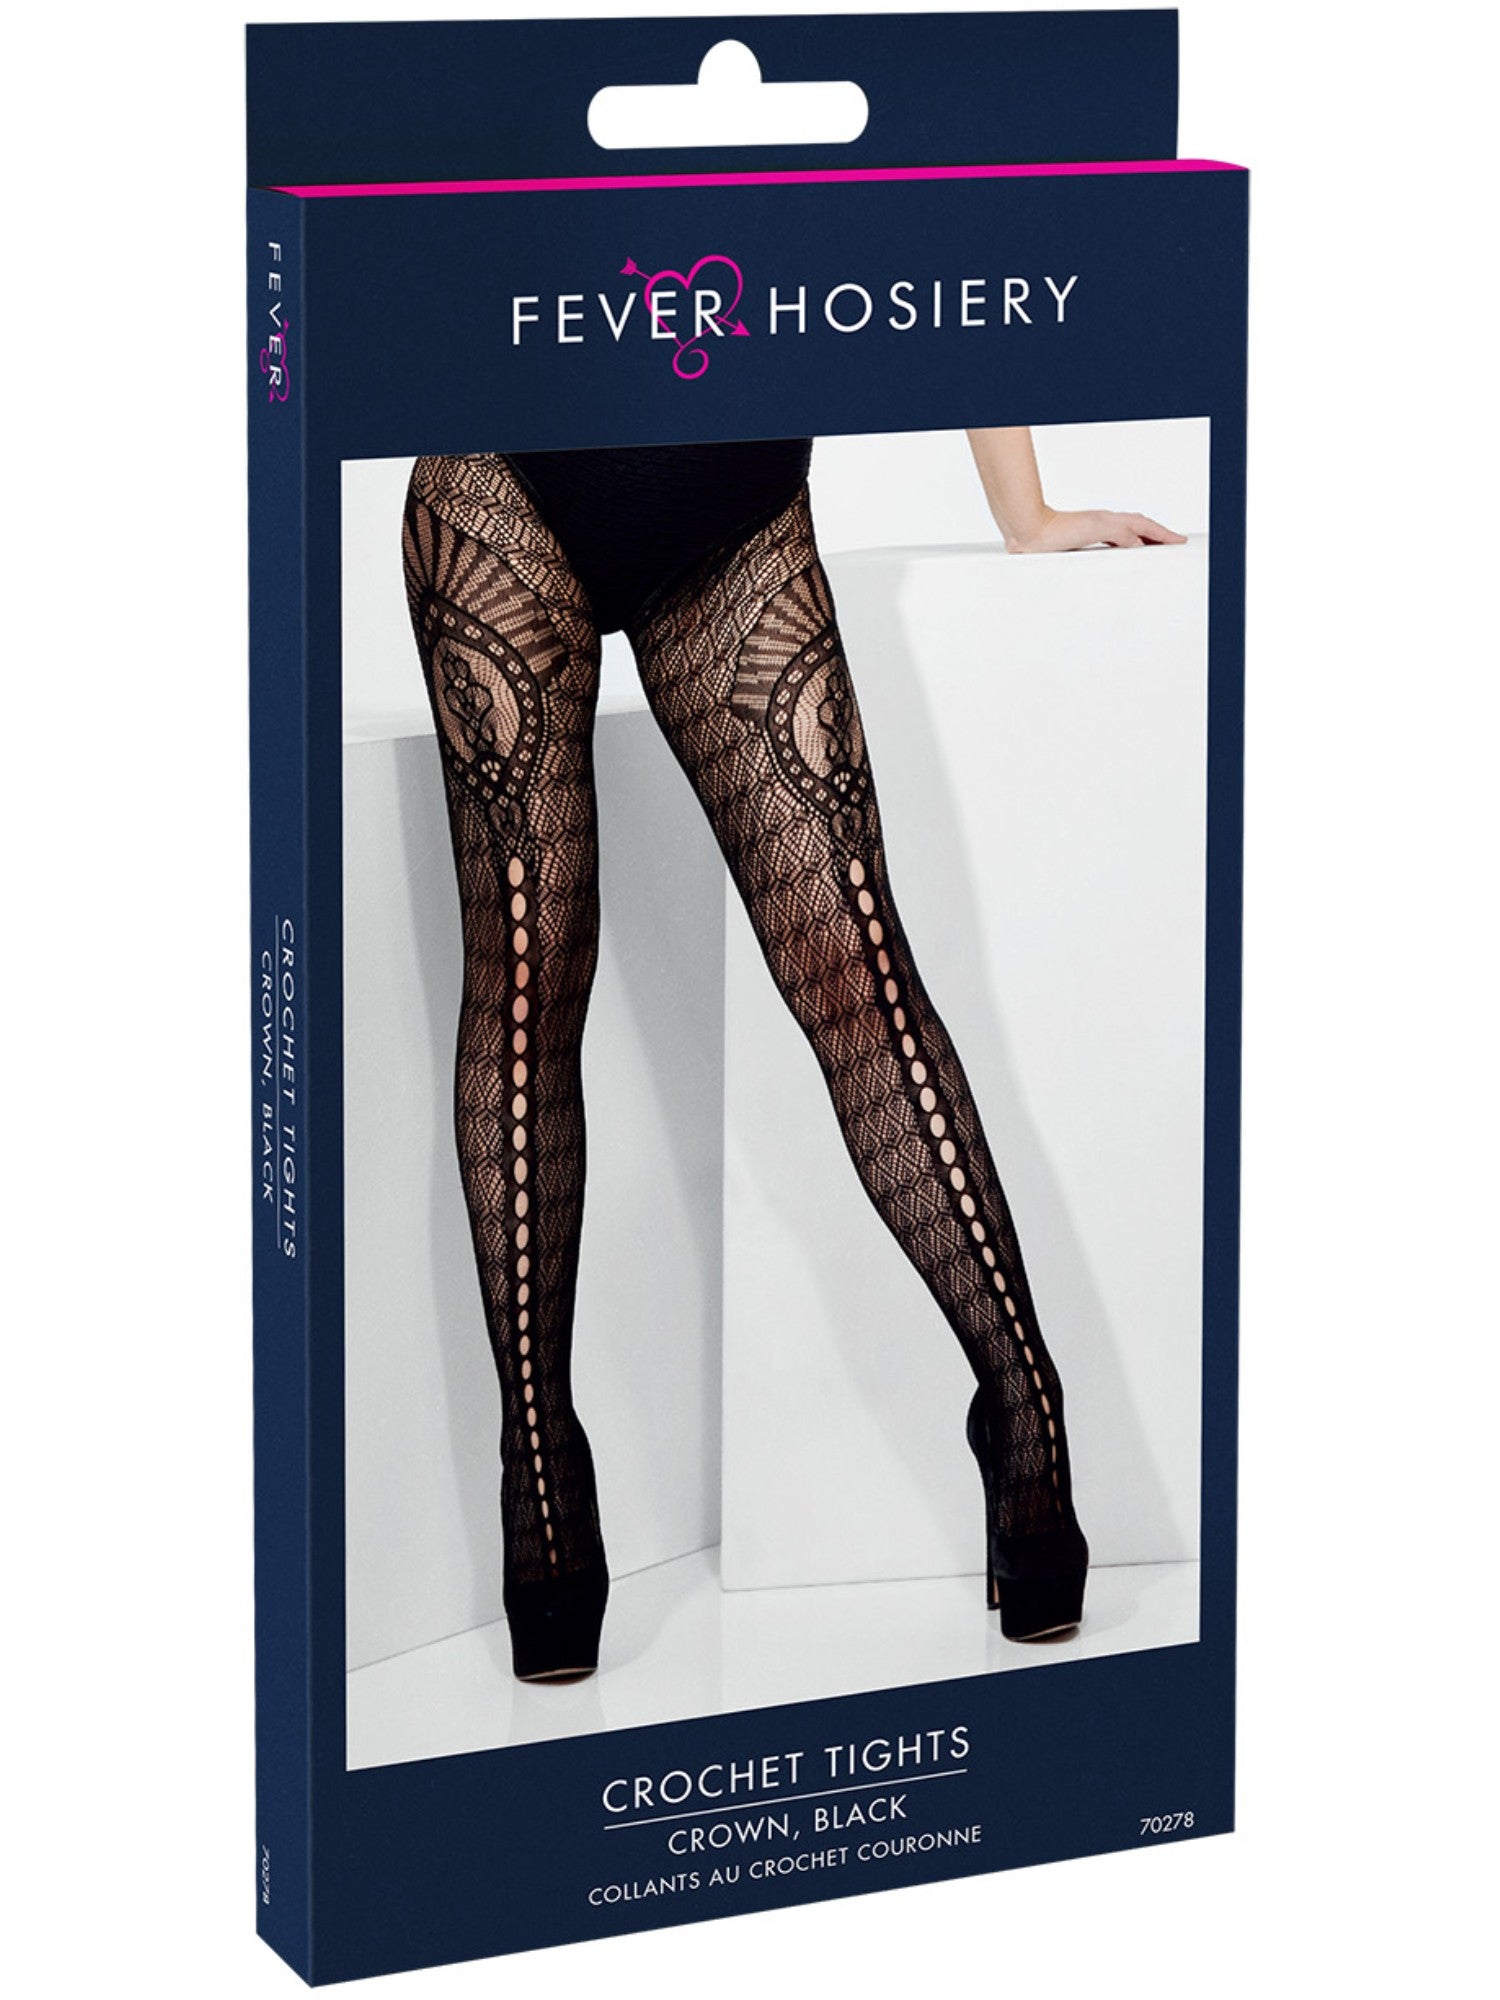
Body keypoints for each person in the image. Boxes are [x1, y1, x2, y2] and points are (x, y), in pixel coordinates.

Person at [401, 429, 1184, 1681]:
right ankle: (538, 1461)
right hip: (505, 489)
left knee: (852, 963)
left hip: (735, 504)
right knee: (532, 976)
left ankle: (1024, 1408)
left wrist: (1025, 509)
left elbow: (928, 288)